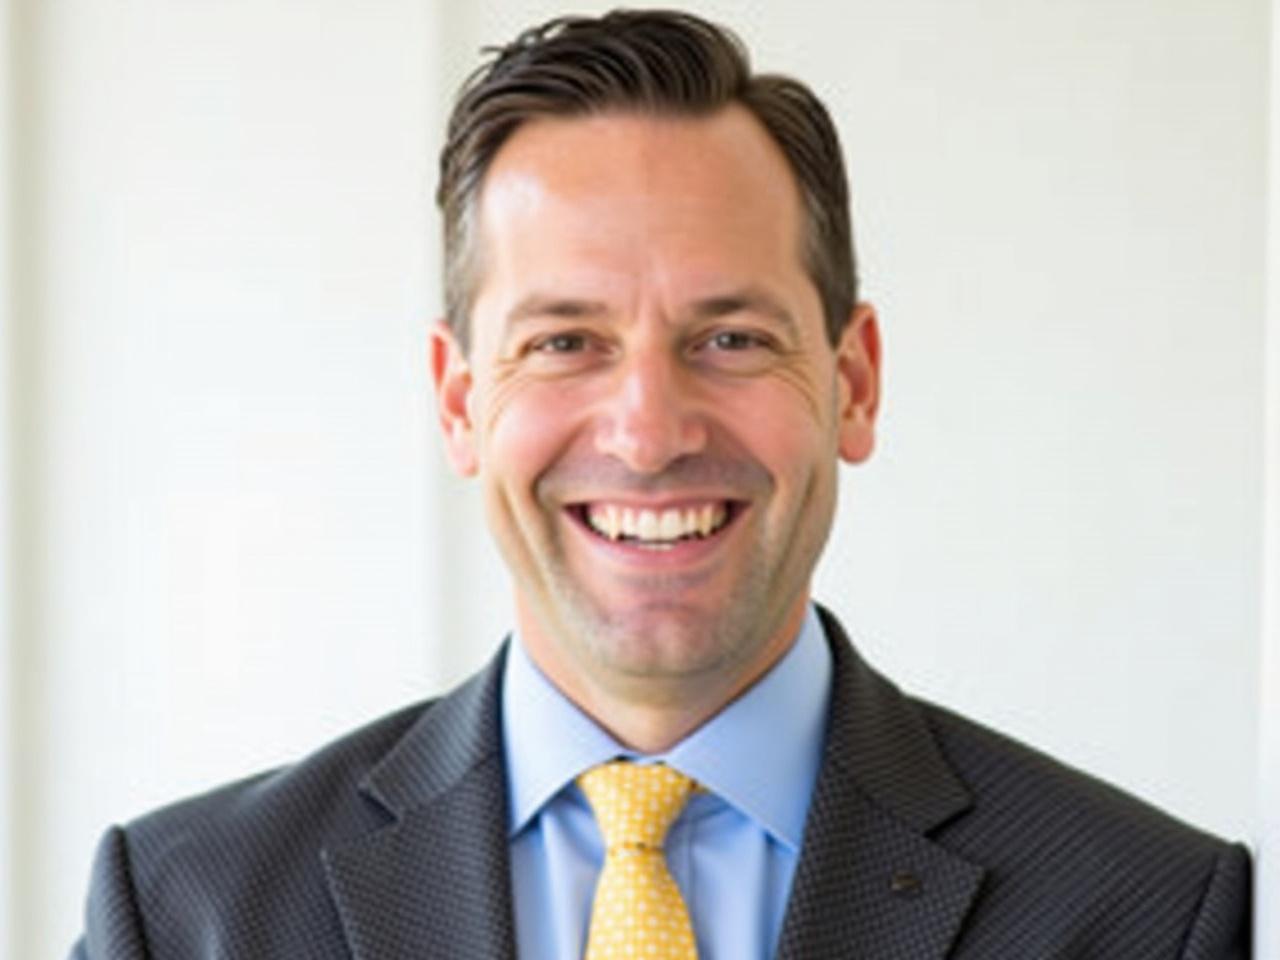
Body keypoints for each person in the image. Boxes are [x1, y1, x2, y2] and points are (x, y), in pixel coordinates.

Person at [72, 9, 1250, 959]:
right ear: (456, 400)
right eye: (563, 341)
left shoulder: (1151, 917)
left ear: (853, 382)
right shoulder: (190, 918)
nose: (646, 433)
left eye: (729, 338)